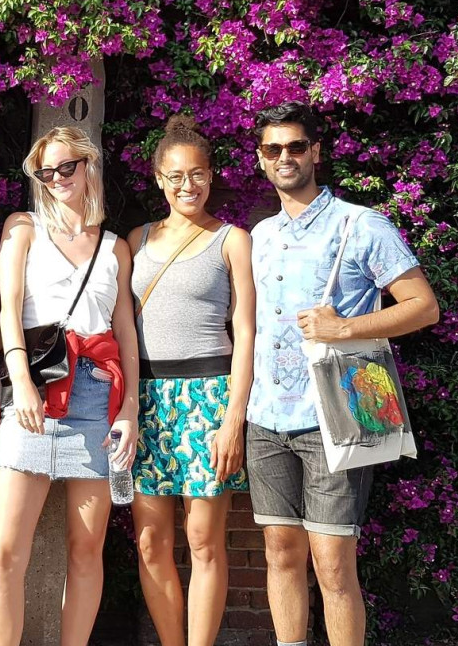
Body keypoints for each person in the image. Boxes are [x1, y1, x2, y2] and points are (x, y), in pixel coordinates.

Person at [246, 101, 440, 646]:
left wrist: (343, 329)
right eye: (272, 149)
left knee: (333, 563)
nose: (284, 157)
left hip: (337, 414)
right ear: (261, 159)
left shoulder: (361, 223)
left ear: (315, 152)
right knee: (280, 554)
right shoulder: (259, 236)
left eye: (295, 147)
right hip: (265, 417)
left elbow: (423, 307)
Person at [0, 126, 141, 646]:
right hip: (37, 392)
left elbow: (124, 334)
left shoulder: (115, 247)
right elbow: (8, 310)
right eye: (45, 172)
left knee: (86, 548)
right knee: (5, 549)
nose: (56, 180)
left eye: (65, 168)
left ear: (88, 165)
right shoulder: (22, 228)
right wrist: (21, 381)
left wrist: (129, 410)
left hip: (96, 396)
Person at [127, 116, 256, 646]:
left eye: (197, 174)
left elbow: (246, 332)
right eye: (176, 175)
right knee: (151, 543)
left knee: (204, 541)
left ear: (211, 176)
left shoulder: (232, 240)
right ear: (159, 178)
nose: (188, 185)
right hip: (146, 400)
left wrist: (233, 420)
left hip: (208, 396)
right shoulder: (135, 239)